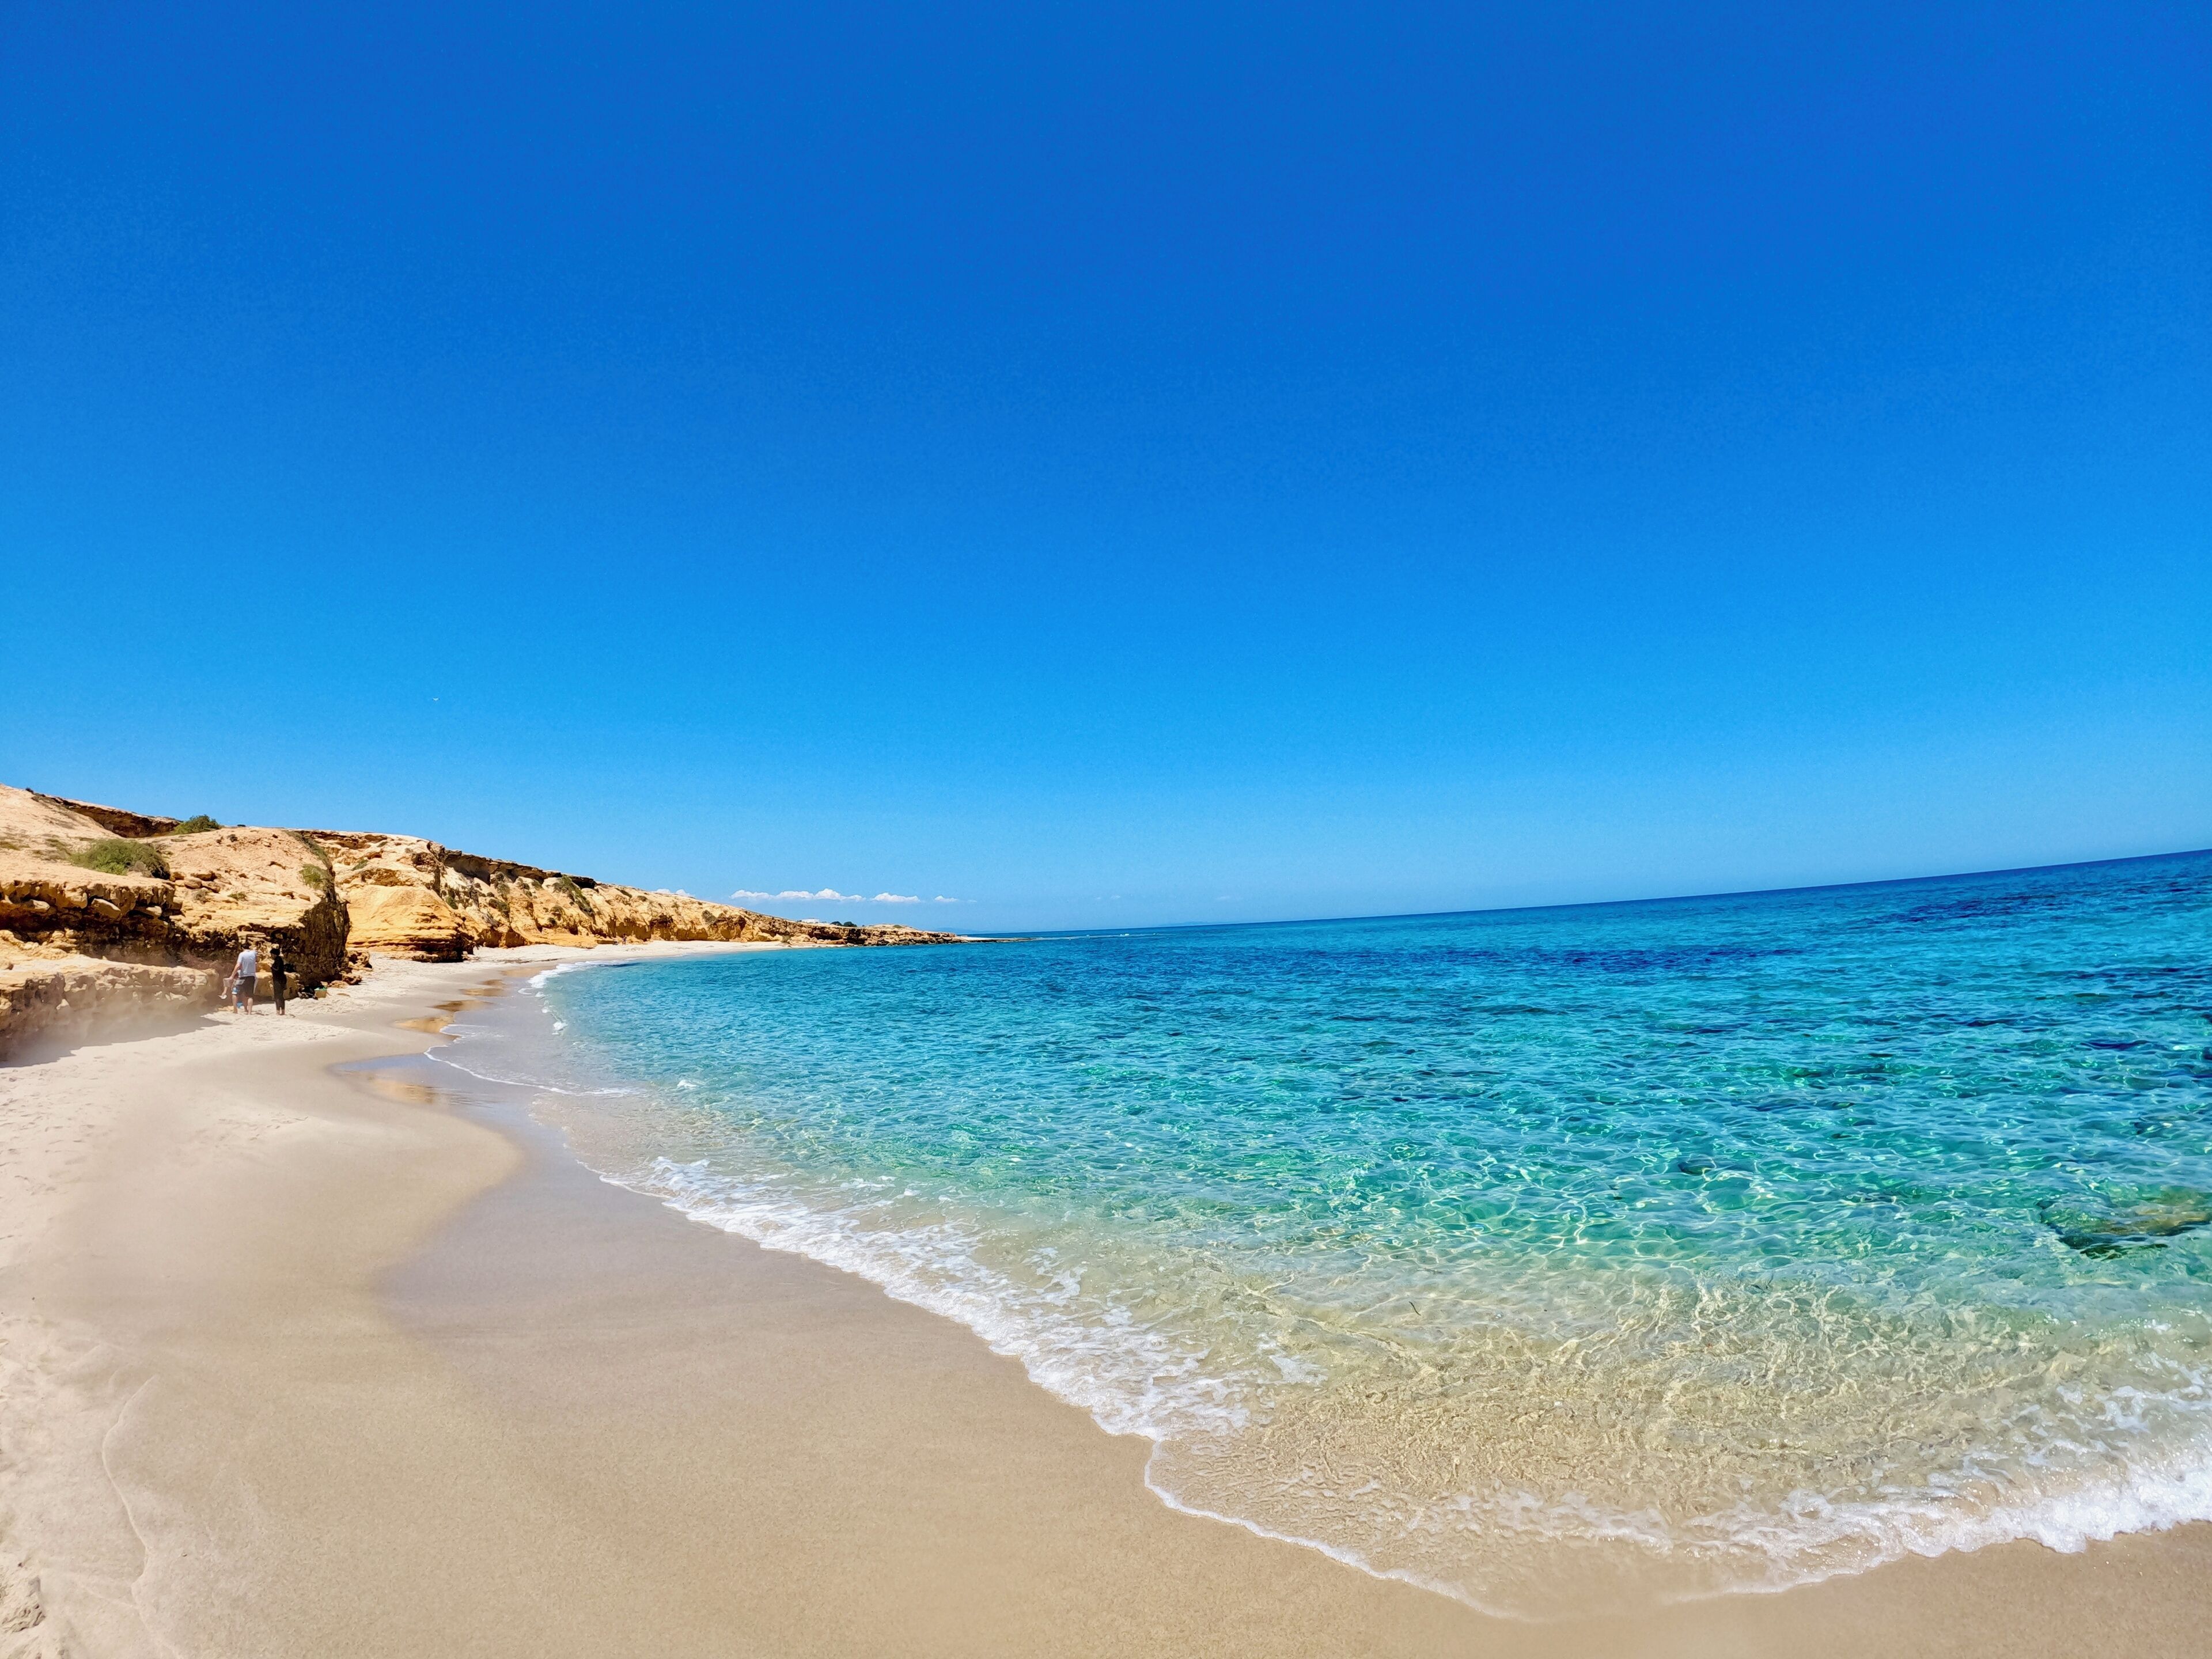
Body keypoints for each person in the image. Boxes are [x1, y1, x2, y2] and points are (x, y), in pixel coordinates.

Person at [234, 943, 259, 1013]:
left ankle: (235, 1010)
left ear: (242, 948)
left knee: (236, 993)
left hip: (242, 976)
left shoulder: (242, 954)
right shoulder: (253, 953)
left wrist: (232, 975)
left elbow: (238, 965)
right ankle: (249, 1012)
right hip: (252, 976)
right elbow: (256, 955)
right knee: (250, 995)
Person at [269, 944, 288, 1015]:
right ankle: (282, 1011)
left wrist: (271, 967)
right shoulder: (280, 960)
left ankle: (278, 1011)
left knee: (278, 996)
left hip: (278, 980)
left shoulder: (278, 960)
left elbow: (277, 970)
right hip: (282, 979)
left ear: (274, 955)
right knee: (281, 996)